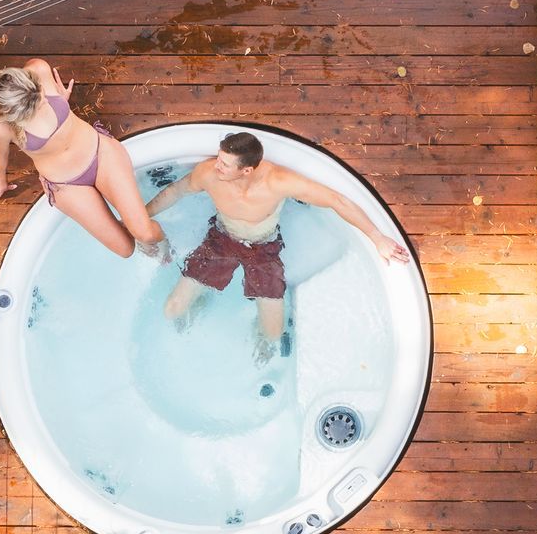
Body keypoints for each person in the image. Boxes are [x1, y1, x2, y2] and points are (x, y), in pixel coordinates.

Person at [148, 130, 410, 364]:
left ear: (246, 170)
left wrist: (377, 238)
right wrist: (140, 216)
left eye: (224, 164)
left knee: (272, 334)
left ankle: (261, 339)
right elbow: (175, 191)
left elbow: (336, 200)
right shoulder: (208, 174)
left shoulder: (278, 182)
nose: (216, 165)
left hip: (263, 249)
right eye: (219, 158)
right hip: (221, 239)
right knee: (172, 310)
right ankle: (203, 300)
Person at [0, 59, 169, 261]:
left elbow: (44, 93)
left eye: (42, 95)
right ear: (14, 116)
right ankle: (129, 222)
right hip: (67, 184)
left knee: (146, 234)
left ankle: (167, 250)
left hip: (99, 154)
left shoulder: (38, 69)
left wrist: (59, 100)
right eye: (38, 106)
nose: (45, 102)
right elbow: (0, 155)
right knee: (125, 249)